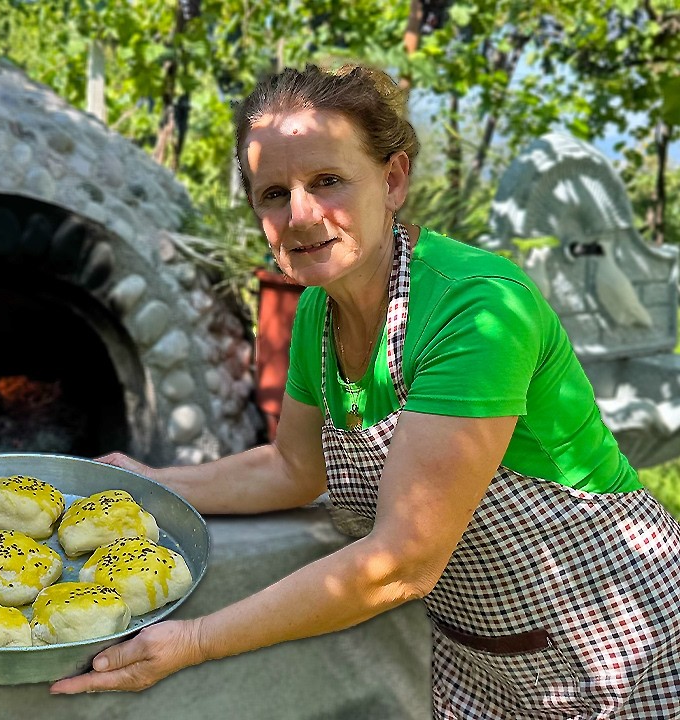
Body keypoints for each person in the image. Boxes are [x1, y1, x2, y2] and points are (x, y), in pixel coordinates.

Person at [49, 64, 680, 717]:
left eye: (327, 181)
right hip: (488, 661)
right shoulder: (319, 317)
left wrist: (200, 639)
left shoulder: (477, 310)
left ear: (393, 178)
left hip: (619, 641)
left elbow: (403, 559)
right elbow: (293, 467)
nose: (299, 215)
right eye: (273, 193)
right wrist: (150, 482)